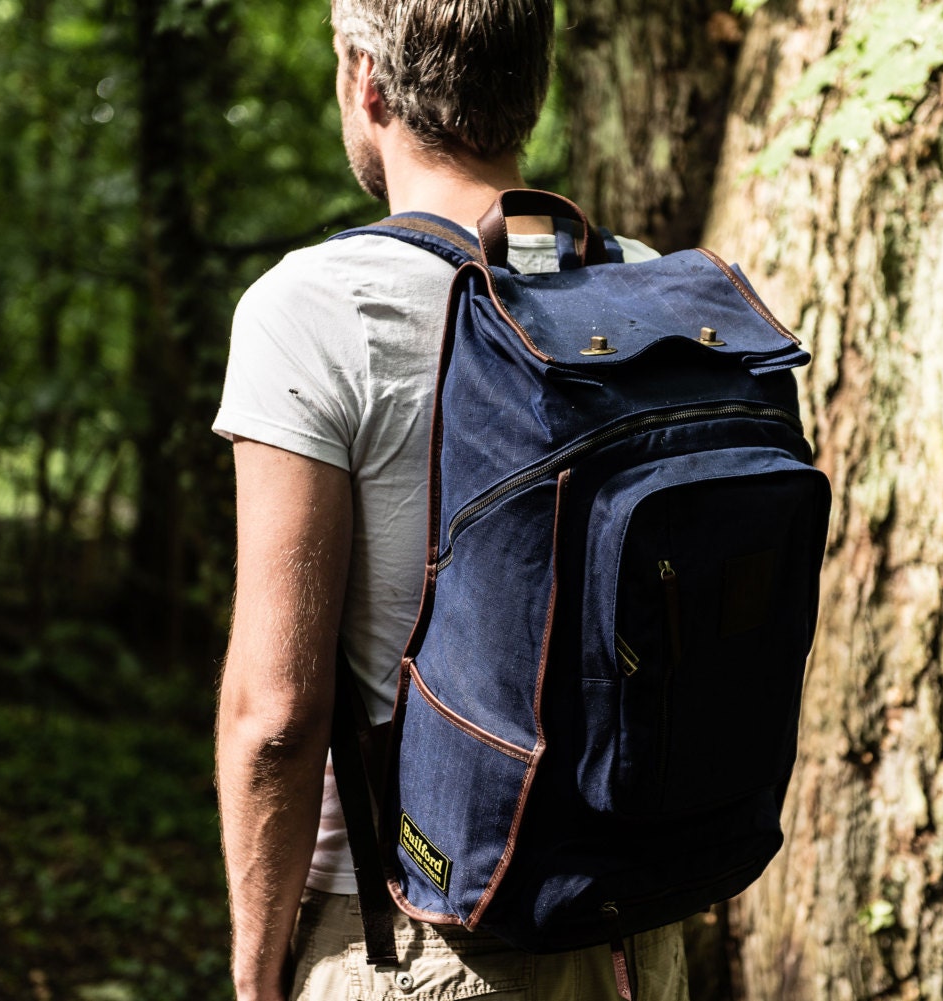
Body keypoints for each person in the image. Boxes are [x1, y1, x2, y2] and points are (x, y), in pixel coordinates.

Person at [211, 2, 690, 999]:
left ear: (363, 78)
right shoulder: (651, 291)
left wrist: (257, 974)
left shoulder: (311, 310)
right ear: (534, 85)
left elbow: (278, 717)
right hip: (630, 935)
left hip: (409, 936)